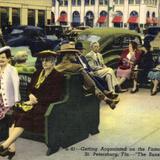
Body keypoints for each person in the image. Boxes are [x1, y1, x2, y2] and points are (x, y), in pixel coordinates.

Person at [0, 50, 64, 159]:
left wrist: (37, 100)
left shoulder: (57, 76)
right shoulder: (38, 72)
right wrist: (30, 95)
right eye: (43, 61)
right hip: (33, 103)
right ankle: (12, 147)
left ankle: (5, 145)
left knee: (24, 115)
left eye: (48, 61)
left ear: (54, 62)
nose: (44, 63)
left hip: (46, 106)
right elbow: (30, 88)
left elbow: (55, 97)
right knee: (15, 112)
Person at [56, 42, 119, 110]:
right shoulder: (77, 67)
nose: (76, 55)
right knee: (97, 78)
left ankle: (106, 96)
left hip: (61, 93)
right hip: (79, 90)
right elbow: (91, 84)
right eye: (74, 53)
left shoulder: (57, 67)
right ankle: (106, 97)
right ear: (68, 55)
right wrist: (96, 90)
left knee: (104, 74)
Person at [0, 46, 20, 159]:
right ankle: (10, 148)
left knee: (10, 123)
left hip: (9, 101)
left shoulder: (12, 69)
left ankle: (11, 148)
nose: (1, 60)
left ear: (8, 59)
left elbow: (16, 86)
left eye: (3, 57)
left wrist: (16, 101)